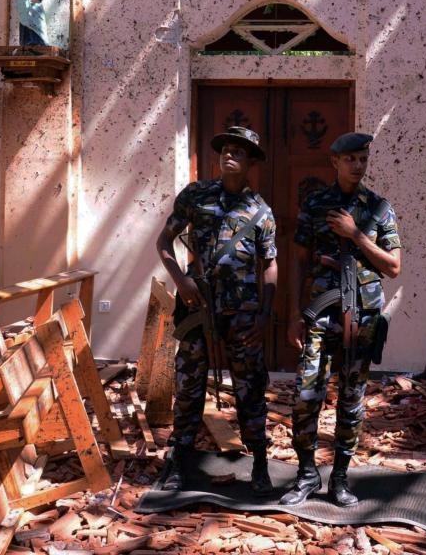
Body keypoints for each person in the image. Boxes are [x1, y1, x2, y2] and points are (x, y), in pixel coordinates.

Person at [155, 126, 278, 496]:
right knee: (189, 384)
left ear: (251, 162)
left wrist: (266, 315)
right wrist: (181, 280)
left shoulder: (261, 211)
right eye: (225, 149)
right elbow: (163, 241)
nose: (230, 155)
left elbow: (269, 264)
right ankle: (179, 458)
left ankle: (259, 461)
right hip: (197, 305)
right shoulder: (195, 196)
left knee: (250, 388)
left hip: (243, 315)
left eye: (239, 151)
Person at [280, 132, 401, 508]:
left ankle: (341, 478)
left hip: (361, 319)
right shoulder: (315, 204)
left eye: (362, 158)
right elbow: (298, 261)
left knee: (352, 400)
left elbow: (394, 266)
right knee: (305, 396)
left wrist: (356, 235)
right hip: (318, 314)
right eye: (350, 159)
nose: (357, 165)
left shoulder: (380, 208)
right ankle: (305, 474)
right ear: (335, 162)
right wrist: (292, 315)